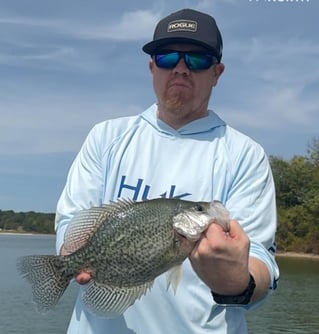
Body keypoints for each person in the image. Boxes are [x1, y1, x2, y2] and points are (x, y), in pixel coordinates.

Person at [55, 8, 279, 334]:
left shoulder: (246, 155)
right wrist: (71, 254)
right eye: (167, 57)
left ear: (217, 72)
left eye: (197, 60)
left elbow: (261, 261)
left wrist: (238, 282)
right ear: (151, 67)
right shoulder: (106, 138)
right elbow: (71, 221)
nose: (181, 69)